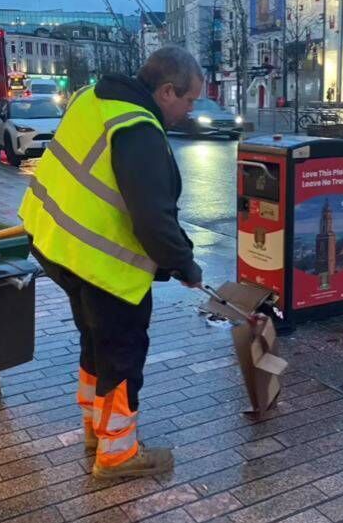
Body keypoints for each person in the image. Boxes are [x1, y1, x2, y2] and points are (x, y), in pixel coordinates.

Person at [19, 46, 204, 479]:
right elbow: (153, 219)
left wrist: (176, 258)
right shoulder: (138, 129)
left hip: (56, 245)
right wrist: (185, 265)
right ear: (166, 91)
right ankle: (117, 453)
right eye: (190, 99)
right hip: (101, 263)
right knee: (121, 352)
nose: (191, 109)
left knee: (94, 340)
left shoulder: (94, 98)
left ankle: (95, 428)